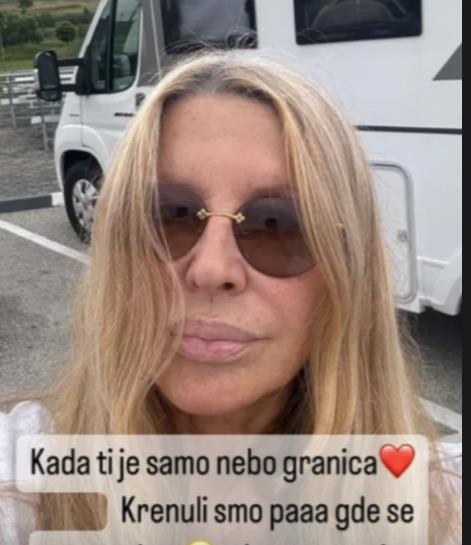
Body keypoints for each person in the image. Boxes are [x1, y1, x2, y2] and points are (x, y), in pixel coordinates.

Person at [0, 51, 461, 543]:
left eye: (277, 224)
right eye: (169, 215)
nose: (212, 270)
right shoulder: (23, 472)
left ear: (347, 273)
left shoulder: (441, 504)